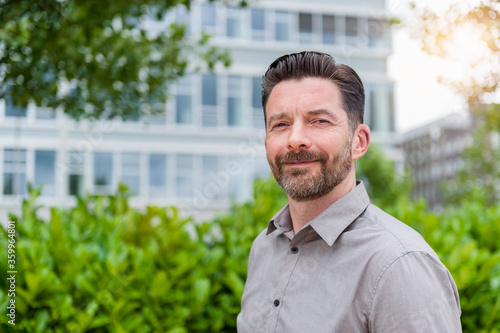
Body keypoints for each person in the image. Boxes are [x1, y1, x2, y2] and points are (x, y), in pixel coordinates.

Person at [237, 51, 462, 332]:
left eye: (319, 120)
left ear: (359, 142)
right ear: (267, 141)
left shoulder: (398, 265)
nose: (295, 140)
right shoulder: (263, 248)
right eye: (280, 124)